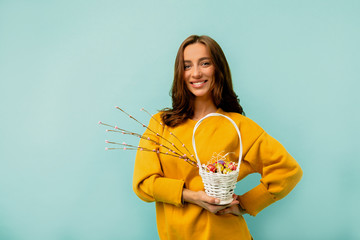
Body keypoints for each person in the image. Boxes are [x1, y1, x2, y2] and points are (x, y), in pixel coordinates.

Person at [133, 35, 303, 240]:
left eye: (205, 63)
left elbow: (287, 171)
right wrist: (193, 197)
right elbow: (143, 184)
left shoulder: (238, 126)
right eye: (187, 66)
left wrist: (246, 204)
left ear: (218, 69)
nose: (196, 73)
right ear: (180, 73)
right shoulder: (160, 123)